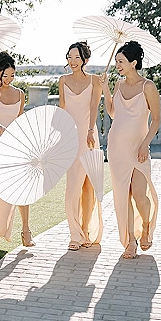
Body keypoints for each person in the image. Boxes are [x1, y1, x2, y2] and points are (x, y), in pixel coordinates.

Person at [102, 40, 160, 259]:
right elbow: (113, 113)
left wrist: (145, 143)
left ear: (133, 62)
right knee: (122, 195)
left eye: (121, 61)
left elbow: (155, 120)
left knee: (139, 195)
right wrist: (105, 87)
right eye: (116, 61)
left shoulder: (148, 86)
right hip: (116, 148)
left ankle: (145, 225)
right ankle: (130, 241)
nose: (117, 65)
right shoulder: (118, 85)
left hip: (138, 148)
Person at [0, 52, 34, 248]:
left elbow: (20, 121)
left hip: (12, 146)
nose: (9, 79)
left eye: (12, 75)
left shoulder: (20, 94)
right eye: (5, 75)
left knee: (18, 187)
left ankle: (26, 230)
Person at [59, 41, 104, 250]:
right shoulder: (62, 80)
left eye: (77, 57)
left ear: (85, 59)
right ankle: (74, 235)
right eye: (69, 57)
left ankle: (86, 230)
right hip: (70, 138)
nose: (72, 61)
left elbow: (94, 107)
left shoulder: (96, 80)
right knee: (72, 189)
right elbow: (62, 110)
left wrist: (89, 130)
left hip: (89, 136)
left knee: (89, 187)